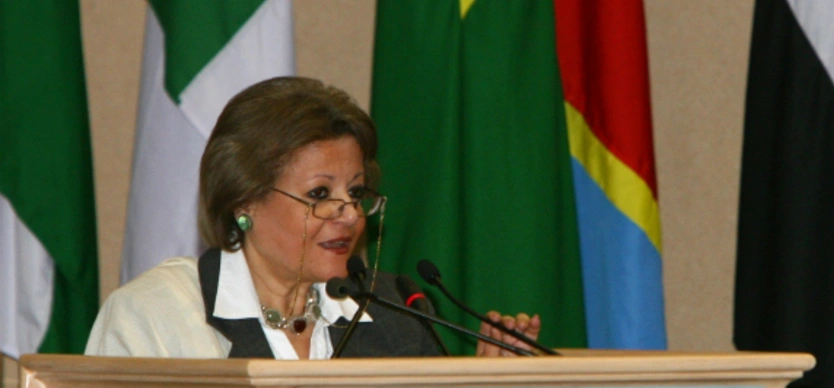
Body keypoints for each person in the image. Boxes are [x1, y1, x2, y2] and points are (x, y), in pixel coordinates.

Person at [86, 76, 540, 359]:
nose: (348, 214)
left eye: (356, 192)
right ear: (244, 200)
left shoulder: (400, 314)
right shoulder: (156, 317)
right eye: (320, 194)